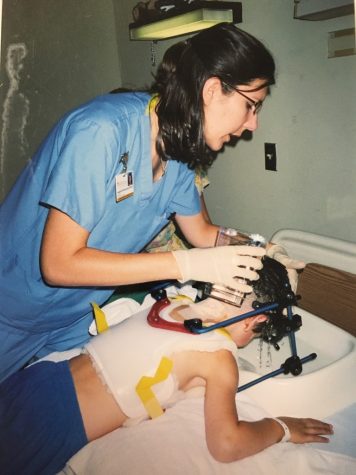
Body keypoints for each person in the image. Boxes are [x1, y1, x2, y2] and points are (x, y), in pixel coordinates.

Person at [0, 23, 303, 383]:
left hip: (72, 318)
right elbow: (59, 263)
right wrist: (185, 264)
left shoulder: (178, 154)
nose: (253, 124)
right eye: (251, 106)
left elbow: (204, 233)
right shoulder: (101, 131)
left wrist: (261, 250)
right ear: (211, 90)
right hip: (11, 309)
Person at [0, 257, 333, 475]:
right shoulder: (220, 358)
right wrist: (281, 427)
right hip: (57, 423)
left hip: (38, 380)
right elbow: (227, 444)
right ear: (256, 321)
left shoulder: (173, 303)